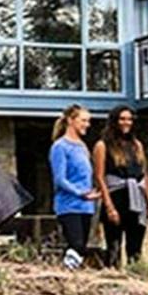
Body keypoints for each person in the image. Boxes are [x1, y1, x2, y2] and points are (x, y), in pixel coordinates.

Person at [93, 105, 148, 268]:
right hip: (116, 196)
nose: (126, 122)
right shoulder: (102, 145)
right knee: (113, 245)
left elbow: (143, 174)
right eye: (122, 119)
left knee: (135, 247)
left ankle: (136, 276)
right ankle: (112, 276)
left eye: (129, 119)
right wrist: (109, 207)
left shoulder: (137, 145)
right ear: (114, 121)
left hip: (137, 197)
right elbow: (100, 177)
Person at [49, 104, 100, 270]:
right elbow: (60, 179)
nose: (87, 124)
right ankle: (67, 272)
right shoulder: (60, 147)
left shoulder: (82, 146)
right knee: (75, 244)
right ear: (71, 120)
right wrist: (80, 193)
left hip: (86, 206)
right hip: (68, 205)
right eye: (83, 120)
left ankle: (72, 273)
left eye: (88, 121)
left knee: (81, 248)